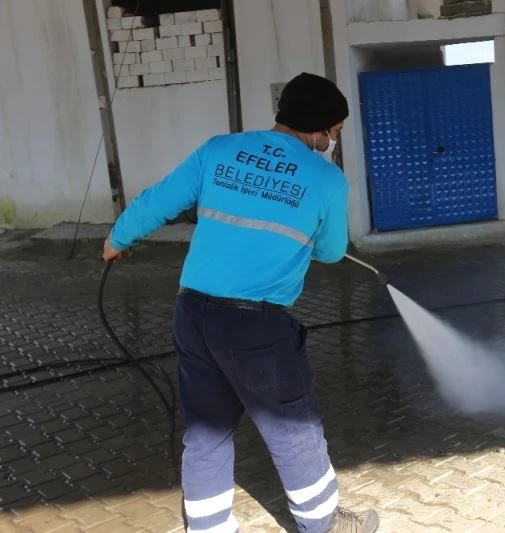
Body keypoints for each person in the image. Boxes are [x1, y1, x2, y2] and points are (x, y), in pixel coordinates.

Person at [103, 72, 380, 533]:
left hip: (193, 314)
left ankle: (208, 527)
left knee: (207, 430)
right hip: (256, 326)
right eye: (334, 131)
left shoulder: (218, 150)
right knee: (293, 428)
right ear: (319, 128)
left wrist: (117, 239)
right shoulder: (326, 179)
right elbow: (332, 252)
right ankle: (324, 524)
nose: (332, 141)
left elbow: (159, 200)